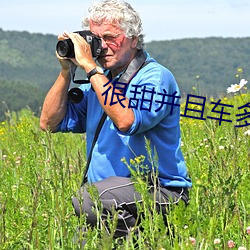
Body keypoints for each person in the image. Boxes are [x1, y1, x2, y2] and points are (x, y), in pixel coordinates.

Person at [40, 0, 192, 244]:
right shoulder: (100, 82)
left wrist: (90, 68)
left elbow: (126, 121)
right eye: (96, 39)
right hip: (110, 199)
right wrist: (66, 70)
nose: (102, 47)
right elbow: (49, 123)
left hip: (160, 192)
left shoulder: (155, 78)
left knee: (88, 200)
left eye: (110, 37)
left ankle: (147, 241)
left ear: (133, 39)